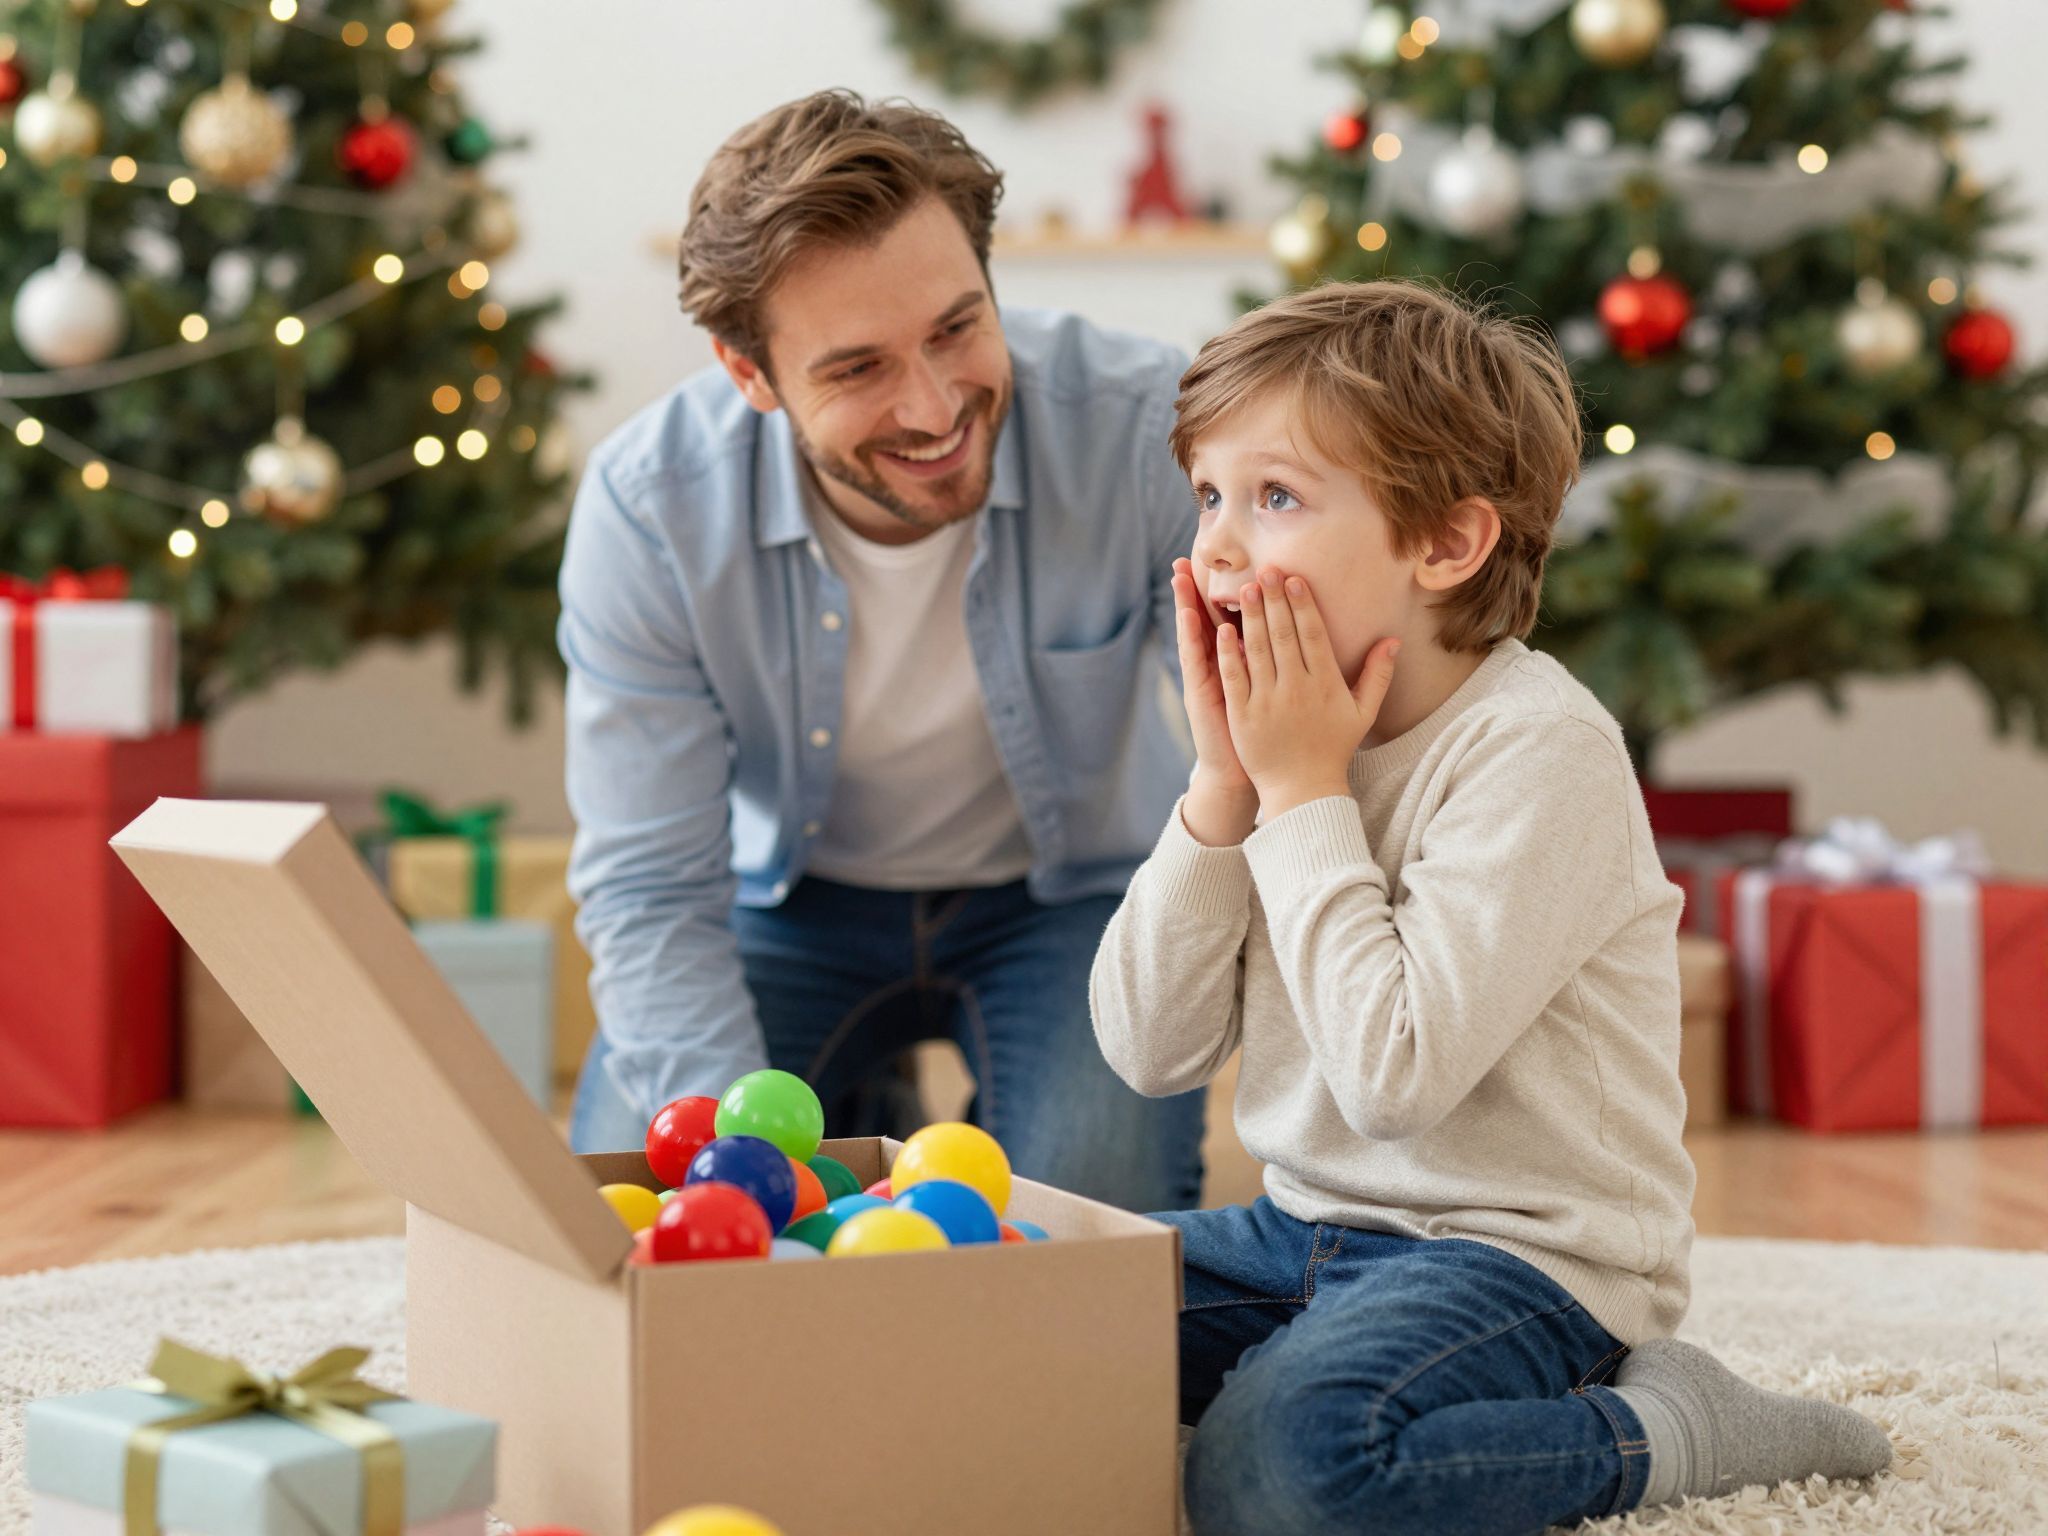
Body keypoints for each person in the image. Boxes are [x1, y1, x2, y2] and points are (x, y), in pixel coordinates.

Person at [1091, 280, 1893, 1535]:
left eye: (1276, 498)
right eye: (1207, 496)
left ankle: (1665, 1425)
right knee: (1010, 1311)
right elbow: (1147, 1051)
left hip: (1519, 1258)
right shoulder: (1274, 744)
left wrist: (1301, 795)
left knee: (1281, 1471)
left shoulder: (1538, 748)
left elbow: (1392, 1081)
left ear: (1445, 544)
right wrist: (1219, 789)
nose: (1218, 550)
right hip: (1298, 1227)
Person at [557, 89, 1204, 1212]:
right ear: (748, 374)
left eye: (956, 327)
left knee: (1085, 1221)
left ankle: (883, 1138)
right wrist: (746, 1175)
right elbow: (653, 887)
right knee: (664, 1202)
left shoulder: (1144, 424)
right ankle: (864, 1133)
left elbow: (1268, 757)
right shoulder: (650, 508)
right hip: (789, 900)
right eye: (856, 368)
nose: (935, 405)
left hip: (1074, 902)